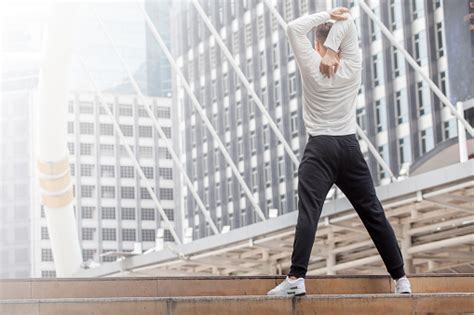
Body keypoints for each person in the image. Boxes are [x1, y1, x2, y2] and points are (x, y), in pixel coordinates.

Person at [267, 7, 412, 296]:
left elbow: (294, 27)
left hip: (319, 147)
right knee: (373, 213)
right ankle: (401, 280)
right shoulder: (353, 65)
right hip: (348, 147)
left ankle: (296, 279)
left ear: (316, 44)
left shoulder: (310, 63)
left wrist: (324, 17)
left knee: (309, 212)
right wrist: (336, 42)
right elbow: (350, 23)